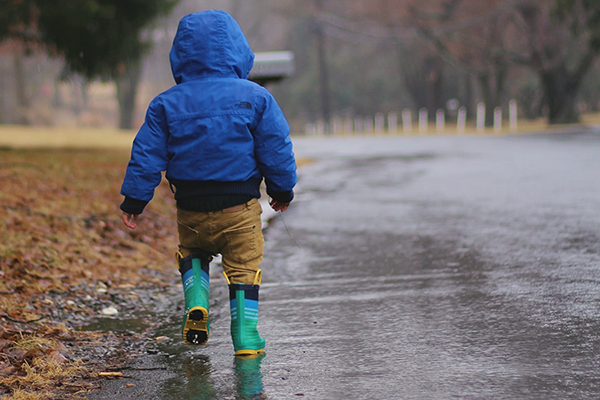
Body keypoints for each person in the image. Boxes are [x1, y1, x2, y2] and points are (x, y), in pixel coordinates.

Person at [119, 10, 297, 357]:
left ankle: (197, 298)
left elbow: (147, 154)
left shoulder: (166, 103)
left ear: (181, 54)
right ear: (237, 50)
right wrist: (281, 190)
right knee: (244, 267)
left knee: (193, 254)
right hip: (239, 208)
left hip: (190, 208)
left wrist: (134, 201)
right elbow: (275, 147)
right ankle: (245, 336)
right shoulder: (256, 97)